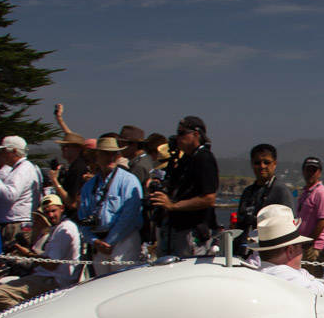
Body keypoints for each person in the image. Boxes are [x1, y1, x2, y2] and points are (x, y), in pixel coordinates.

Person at [0, 195, 81, 313]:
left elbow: (51, 264)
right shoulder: (56, 229)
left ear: (61, 208)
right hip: (45, 276)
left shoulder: (64, 229)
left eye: (53, 211)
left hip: (54, 279)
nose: (50, 215)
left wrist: (28, 254)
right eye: (47, 212)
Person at [150, 116, 219, 258]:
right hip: (178, 230)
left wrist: (173, 206)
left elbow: (209, 198)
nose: (177, 137)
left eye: (181, 133)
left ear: (196, 135)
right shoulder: (187, 159)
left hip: (193, 232)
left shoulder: (204, 158)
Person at [78, 137, 143, 276]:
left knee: (123, 284)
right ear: (97, 156)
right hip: (99, 243)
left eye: (114, 154)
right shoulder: (89, 186)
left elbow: (129, 217)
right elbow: (83, 218)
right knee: (101, 286)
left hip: (123, 240)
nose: (111, 158)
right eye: (106, 154)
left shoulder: (129, 181)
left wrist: (109, 242)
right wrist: (94, 241)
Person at [233, 144, 293, 255]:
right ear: (252, 164)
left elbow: (288, 227)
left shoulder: (281, 191)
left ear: (274, 164)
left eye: (266, 162)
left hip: (269, 253)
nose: (262, 166)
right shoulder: (247, 192)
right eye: (257, 163)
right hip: (243, 251)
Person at [0, 135, 43, 246]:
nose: (1, 154)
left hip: (15, 225)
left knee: (13, 260)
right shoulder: (24, 168)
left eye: (4, 150)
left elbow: (11, 195)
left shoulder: (22, 170)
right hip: (14, 223)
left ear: (14, 151)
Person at [295, 156, 324, 277]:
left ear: (319, 173)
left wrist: (309, 241)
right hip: (303, 245)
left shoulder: (321, 192)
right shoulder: (306, 192)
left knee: (313, 280)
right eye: (308, 170)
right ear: (303, 171)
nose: (310, 173)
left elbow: (322, 221)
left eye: (313, 170)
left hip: (313, 247)